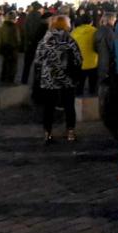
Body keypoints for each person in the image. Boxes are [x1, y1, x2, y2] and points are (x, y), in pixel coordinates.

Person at [35, 15, 82, 144]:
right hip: (67, 77)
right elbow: (78, 58)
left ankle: (47, 133)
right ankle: (70, 132)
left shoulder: (45, 40)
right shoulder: (69, 39)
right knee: (69, 105)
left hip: (49, 77)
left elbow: (38, 59)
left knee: (48, 106)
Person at [71, 14, 99, 96]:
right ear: (91, 22)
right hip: (93, 63)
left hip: (79, 63)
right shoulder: (95, 31)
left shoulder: (74, 32)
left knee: (79, 84)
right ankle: (92, 102)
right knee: (93, 85)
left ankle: (78, 102)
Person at [21, 3, 47, 85]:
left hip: (28, 44)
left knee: (27, 65)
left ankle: (24, 81)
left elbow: (24, 30)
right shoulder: (41, 18)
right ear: (39, 8)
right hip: (38, 45)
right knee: (38, 66)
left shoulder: (28, 17)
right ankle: (36, 83)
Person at [0, 12, 21, 85]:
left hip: (4, 50)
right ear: (13, 18)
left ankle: (2, 80)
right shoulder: (15, 28)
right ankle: (10, 82)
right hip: (12, 50)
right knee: (12, 67)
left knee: (4, 65)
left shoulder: (2, 27)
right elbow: (18, 40)